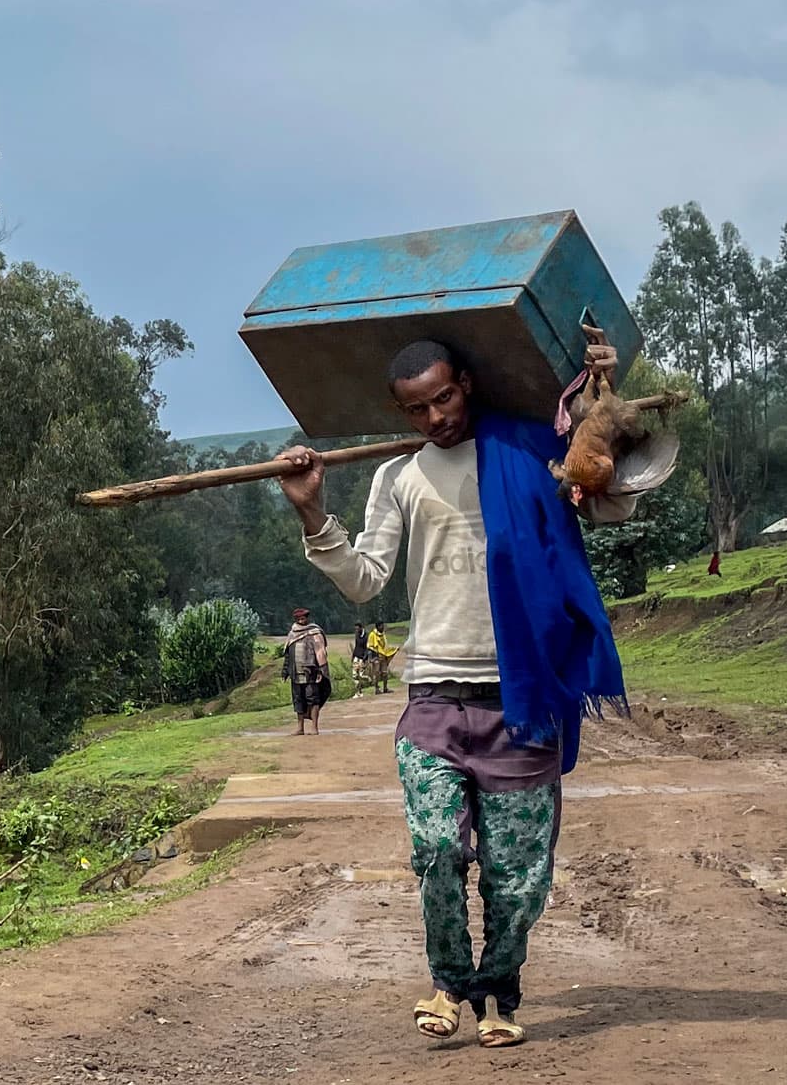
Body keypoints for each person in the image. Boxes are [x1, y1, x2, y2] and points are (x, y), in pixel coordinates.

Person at [276, 330, 627, 1050]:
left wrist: (599, 407)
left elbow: (607, 506)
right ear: (401, 414)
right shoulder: (399, 479)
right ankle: (446, 978)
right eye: (418, 409)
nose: (437, 417)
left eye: (444, 397)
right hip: (434, 696)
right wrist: (312, 510)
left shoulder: (532, 452)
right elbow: (368, 577)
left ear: (465, 383)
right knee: (437, 848)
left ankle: (497, 992)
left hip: (521, 700)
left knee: (519, 878)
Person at [282, 608, 331, 734]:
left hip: (311, 673)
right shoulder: (292, 634)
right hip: (295, 673)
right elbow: (288, 655)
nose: (301, 620)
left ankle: (314, 727)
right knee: (298, 700)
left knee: (313, 698)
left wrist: (320, 670)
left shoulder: (314, 632)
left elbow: (320, 653)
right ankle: (300, 727)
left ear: (307, 618)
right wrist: (285, 671)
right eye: (299, 619)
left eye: (303, 618)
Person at [365, 621, 399, 695]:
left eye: (383, 626)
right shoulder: (372, 635)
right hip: (376, 657)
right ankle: (376, 689)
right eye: (381, 626)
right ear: (377, 627)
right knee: (376, 673)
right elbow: (369, 647)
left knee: (385, 673)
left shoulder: (383, 635)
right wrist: (370, 658)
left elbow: (385, 646)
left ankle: (385, 688)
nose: (383, 627)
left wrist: (393, 649)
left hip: (383, 656)